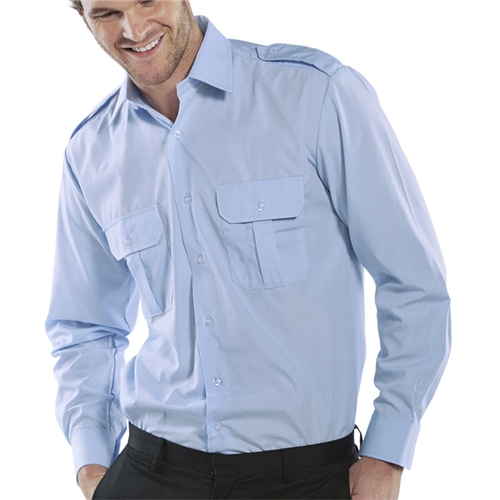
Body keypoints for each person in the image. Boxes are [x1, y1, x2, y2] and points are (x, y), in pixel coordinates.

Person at [46, 1, 451, 499]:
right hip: (150, 468)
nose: (132, 28)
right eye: (106, 13)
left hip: (304, 478)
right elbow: (83, 326)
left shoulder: (314, 94)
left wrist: (387, 453)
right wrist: (91, 463)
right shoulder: (91, 149)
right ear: (82, 17)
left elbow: (413, 281)